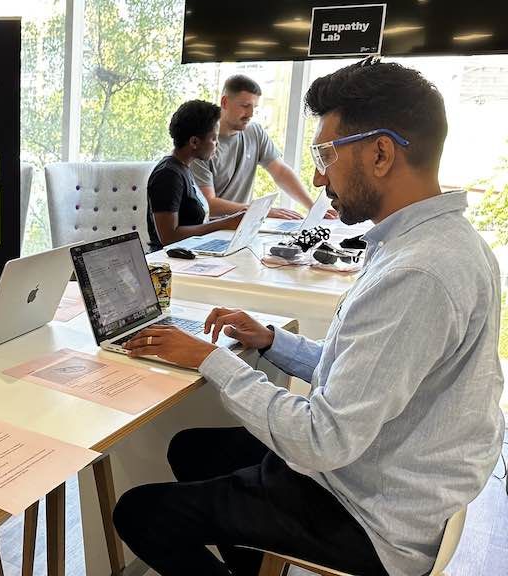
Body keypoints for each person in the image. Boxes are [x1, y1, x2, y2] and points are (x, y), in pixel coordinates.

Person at [113, 59, 504, 576]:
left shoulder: (418, 273)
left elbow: (322, 439)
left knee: (140, 513)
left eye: (325, 154)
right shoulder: (437, 244)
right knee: (192, 448)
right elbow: (367, 373)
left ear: (381, 154)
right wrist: (273, 340)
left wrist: (212, 360)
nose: (319, 176)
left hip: (368, 511)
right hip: (383, 473)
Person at [192, 74, 335, 221]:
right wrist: (260, 211)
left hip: (241, 226)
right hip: (211, 229)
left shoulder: (254, 131)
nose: (251, 114)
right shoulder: (201, 145)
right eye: (245, 106)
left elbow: (280, 171)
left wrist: (312, 207)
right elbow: (208, 204)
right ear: (225, 102)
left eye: (254, 107)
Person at [146, 99, 244, 252]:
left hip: (192, 253)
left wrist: (232, 221)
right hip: (171, 263)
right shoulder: (168, 175)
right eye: (213, 138)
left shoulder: (184, 169)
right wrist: (225, 223)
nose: (217, 144)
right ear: (194, 142)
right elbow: (168, 237)